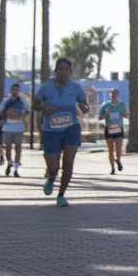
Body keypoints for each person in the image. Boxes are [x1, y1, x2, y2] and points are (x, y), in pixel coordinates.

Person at [33, 58, 89, 207]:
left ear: (70, 72)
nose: (63, 72)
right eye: (60, 69)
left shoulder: (76, 88)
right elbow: (34, 105)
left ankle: (61, 195)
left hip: (71, 129)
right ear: (56, 71)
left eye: (66, 69)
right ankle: (51, 177)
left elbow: (85, 105)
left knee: (68, 163)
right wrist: (45, 108)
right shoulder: (46, 88)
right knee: (54, 167)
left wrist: (84, 108)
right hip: (51, 131)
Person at [98, 88, 128, 174]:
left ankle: (118, 159)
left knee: (119, 148)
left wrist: (125, 114)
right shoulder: (105, 105)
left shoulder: (121, 105)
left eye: (115, 94)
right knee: (111, 149)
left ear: (118, 95)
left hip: (118, 128)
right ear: (110, 95)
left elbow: (127, 116)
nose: (113, 96)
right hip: (109, 129)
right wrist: (105, 114)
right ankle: (112, 168)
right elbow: (99, 118)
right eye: (112, 94)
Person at [0, 83, 27, 176]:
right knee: (8, 147)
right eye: (14, 90)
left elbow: (28, 111)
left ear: (19, 91)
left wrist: (23, 114)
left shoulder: (22, 101)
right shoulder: (6, 100)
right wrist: (6, 113)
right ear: (10, 90)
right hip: (8, 127)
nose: (15, 91)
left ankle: (16, 168)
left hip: (19, 127)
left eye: (17, 90)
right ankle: (10, 162)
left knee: (18, 147)